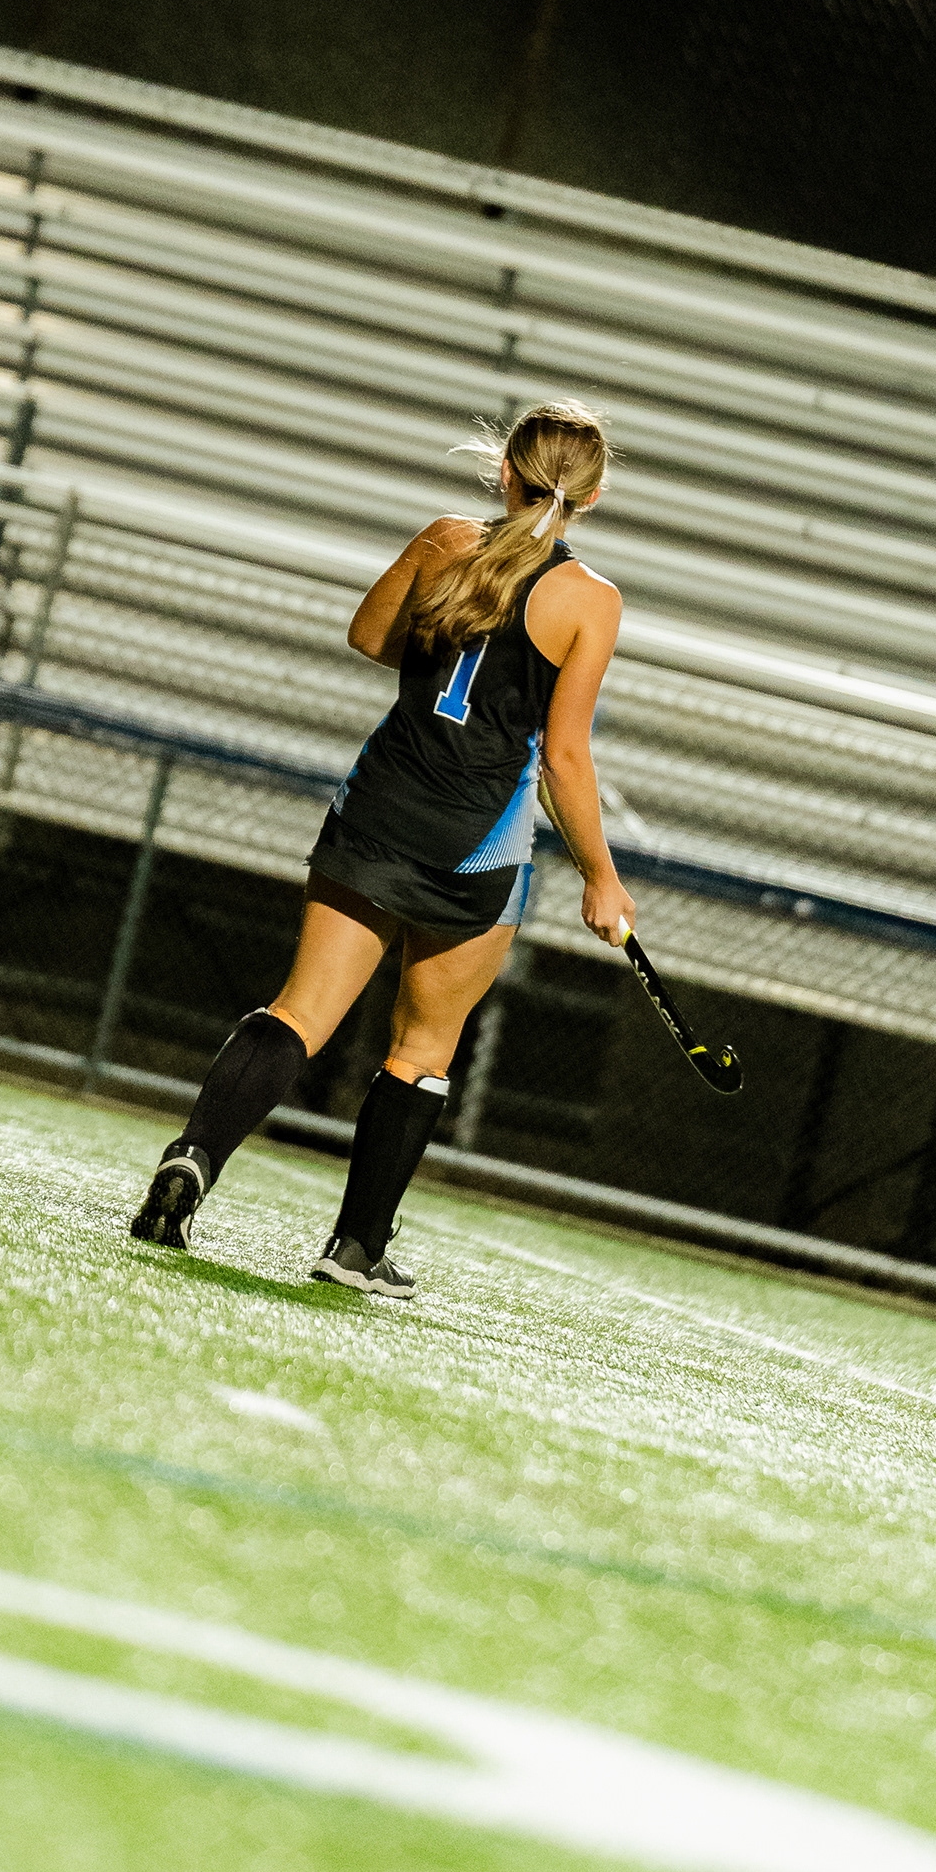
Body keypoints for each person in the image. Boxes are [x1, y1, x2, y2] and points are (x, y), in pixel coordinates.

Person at [128, 398, 637, 1297]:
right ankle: (357, 1247)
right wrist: (601, 876)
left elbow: (369, 637)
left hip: (378, 808)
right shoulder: (591, 601)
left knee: (300, 1011)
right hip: (477, 842)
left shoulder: (446, 539)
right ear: (591, 499)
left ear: (504, 472)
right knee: (422, 1049)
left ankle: (195, 1156)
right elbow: (564, 756)